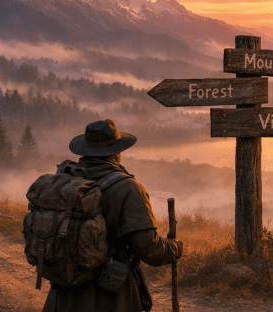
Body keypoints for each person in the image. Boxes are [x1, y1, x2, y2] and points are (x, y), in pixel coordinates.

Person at [43, 119, 183, 312]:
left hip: (62, 295)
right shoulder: (128, 189)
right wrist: (176, 248)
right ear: (117, 152)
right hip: (108, 296)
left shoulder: (63, 180)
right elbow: (149, 249)